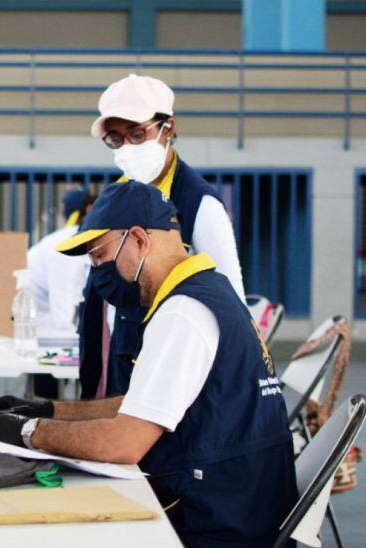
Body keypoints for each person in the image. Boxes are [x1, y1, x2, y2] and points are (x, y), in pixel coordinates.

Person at [0, 182, 297, 548]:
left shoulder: (184, 313)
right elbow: (142, 401)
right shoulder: (211, 292)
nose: (98, 273)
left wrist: (28, 434)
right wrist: (46, 410)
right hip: (242, 534)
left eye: (99, 256)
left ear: (140, 239)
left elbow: (122, 444)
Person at [78, 74, 245, 401]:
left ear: (167, 128)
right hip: (121, 348)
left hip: (171, 362)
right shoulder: (120, 194)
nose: (126, 147)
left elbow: (232, 303)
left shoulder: (200, 205)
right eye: (115, 139)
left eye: (137, 134)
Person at [27, 187, 95, 332]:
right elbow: (61, 316)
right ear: (89, 209)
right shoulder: (65, 248)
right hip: (34, 325)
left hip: (42, 320)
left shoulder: (78, 240)